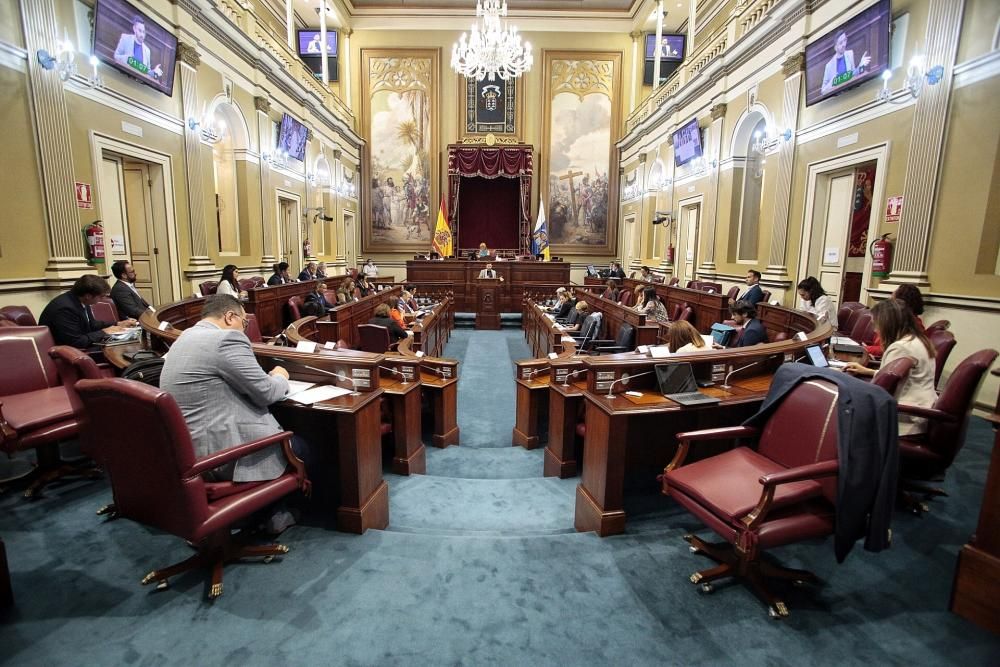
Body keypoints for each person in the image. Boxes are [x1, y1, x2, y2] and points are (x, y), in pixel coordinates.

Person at [158, 294, 292, 482]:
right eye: (244, 323)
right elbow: (267, 393)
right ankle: (278, 509)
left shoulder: (184, 337)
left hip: (188, 450)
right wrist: (280, 376)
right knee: (309, 447)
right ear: (230, 317)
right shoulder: (226, 339)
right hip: (223, 455)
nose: (244, 331)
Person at [844, 298, 936, 436]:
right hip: (923, 408)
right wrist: (868, 371)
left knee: (843, 408)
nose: (875, 330)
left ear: (888, 324)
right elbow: (903, 378)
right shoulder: (918, 340)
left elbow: (882, 390)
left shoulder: (900, 347)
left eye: (876, 325)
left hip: (905, 417)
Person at [39, 274, 134, 349]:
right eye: (101, 296)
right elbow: (76, 342)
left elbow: (92, 324)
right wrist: (104, 332)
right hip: (68, 354)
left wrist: (117, 324)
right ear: (88, 296)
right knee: (120, 350)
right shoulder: (65, 309)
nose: (102, 299)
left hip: (79, 346)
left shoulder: (81, 300)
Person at [865, 284, 926, 357]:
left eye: (892, 300)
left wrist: (865, 349)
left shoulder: (910, 325)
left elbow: (888, 349)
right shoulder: (908, 322)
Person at [821, 31, 871, 95]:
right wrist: (832, 82)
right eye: (840, 43)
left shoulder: (850, 54)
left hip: (852, 93)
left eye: (845, 40)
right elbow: (823, 91)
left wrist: (860, 65)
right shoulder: (829, 66)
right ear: (835, 47)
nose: (844, 44)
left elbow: (853, 74)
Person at [113, 16, 164, 80]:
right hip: (121, 78)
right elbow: (116, 56)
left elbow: (147, 72)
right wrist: (128, 59)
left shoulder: (147, 51)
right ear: (134, 29)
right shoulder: (125, 38)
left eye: (143, 32)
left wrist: (154, 72)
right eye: (140, 31)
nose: (142, 35)